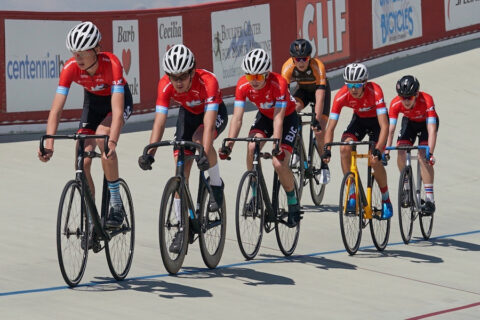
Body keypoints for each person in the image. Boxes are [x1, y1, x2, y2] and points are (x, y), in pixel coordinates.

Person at [38, 21, 133, 229]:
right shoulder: (70, 68)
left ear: (96, 50)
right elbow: (56, 110)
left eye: (82, 52)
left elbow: (117, 112)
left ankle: (116, 204)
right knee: (82, 158)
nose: (77, 57)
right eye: (74, 52)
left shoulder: (112, 64)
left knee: (102, 136)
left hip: (116, 102)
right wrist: (49, 144)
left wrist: (112, 142)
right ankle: (92, 219)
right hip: (93, 104)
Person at [138, 44, 228, 251]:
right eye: (173, 77)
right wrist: (149, 152)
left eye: (182, 77)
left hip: (211, 112)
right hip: (187, 114)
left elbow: (209, 123)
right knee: (181, 166)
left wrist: (204, 151)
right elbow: (159, 122)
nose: (177, 82)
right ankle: (182, 227)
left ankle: (215, 184)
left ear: (192, 72)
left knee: (199, 139)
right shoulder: (165, 85)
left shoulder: (208, 82)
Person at [219, 48, 301, 227]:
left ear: (266, 74)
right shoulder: (242, 85)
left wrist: (276, 146)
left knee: (278, 163)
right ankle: (255, 196)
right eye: (250, 77)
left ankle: (293, 202)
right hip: (264, 117)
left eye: (258, 77)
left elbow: (279, 118)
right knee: (251, 146)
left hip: (287, 118)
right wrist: (229, 144)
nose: (253, 81)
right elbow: (238, 118)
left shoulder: (278, 83)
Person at [323, 63, 393, 219]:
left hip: (377, 124)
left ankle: (386, 198)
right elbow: (330, 128)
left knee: (374, 160)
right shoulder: (341, 95)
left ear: (365, 83)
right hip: (359, 122)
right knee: (344, 148)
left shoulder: (375, 91)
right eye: (349, 84)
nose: (353, 89)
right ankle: (352, 192)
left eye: (357, 85)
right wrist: (326, 149)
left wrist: (379, 148)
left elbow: (384, 125)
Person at [385, 75, 438, 215]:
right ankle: (407, 189)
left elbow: (432, 130)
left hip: (426, 124)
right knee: (401, 150)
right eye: (403, 97)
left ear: (417, 94)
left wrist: (430, 153)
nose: (406, 101)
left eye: (409, 97)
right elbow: (390, 130)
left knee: (422, 156)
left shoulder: (427, 100)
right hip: (409, 123)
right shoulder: (395, 103)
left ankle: (429, 200)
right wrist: (386, 153)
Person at [281, 39, 331, 183]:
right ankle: (296, 148)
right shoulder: (287, 67)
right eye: (297, 59)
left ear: (309, 58)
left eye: (304, 59)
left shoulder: (318, 66)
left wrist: (316, 117)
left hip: (319, 92)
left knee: (319, 129)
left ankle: (324, 165)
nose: (301, 62)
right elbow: (285, 95)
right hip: (302, 91)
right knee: (293, 110)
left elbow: (320, 96)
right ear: (293, 59)